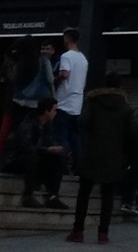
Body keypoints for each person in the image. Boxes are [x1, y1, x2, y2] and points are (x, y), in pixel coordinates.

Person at [69, 72, 137, 244]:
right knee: (107, 197)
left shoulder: (93, 102)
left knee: (83, 194)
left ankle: (78, 231)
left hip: (92, 153)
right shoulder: (126, 108)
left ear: (105, 84)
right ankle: (103, 234)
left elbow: (82, 122)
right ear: (120, 86)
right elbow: (131, 134)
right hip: (113, 156)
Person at [3, 98, 67, 209]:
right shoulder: (29, 123)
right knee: (31, 154)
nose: (56, 113)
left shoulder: (48, 126)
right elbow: (25, 146)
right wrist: (47, 150)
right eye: (54, 110)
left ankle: (52, 196)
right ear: (47, 111)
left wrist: (55, 149)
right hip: (17, 160)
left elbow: (50, 143)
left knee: (59, 158)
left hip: (36, 158)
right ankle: (28, 195)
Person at [53, 28, 89, 171]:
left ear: (67, 39)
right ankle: (77, 166)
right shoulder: (83, 59)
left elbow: (65, 74)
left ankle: (60, 166)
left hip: (64, 101)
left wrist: (54, 80)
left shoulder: (66, 56)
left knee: (61, 135)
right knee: (75, 137)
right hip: (77, 103)